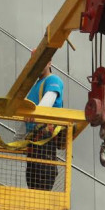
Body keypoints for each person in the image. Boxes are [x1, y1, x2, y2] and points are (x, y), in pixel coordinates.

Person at [25, 50, 64, 191]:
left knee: (42, 178)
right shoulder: (34, 88)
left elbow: (48, 100)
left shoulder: (53, 80)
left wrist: (36, 114)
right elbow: (25, 117)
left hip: (45, 140)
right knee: (32, 181)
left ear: (49, 62)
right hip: (34, 142)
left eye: (41, 61)